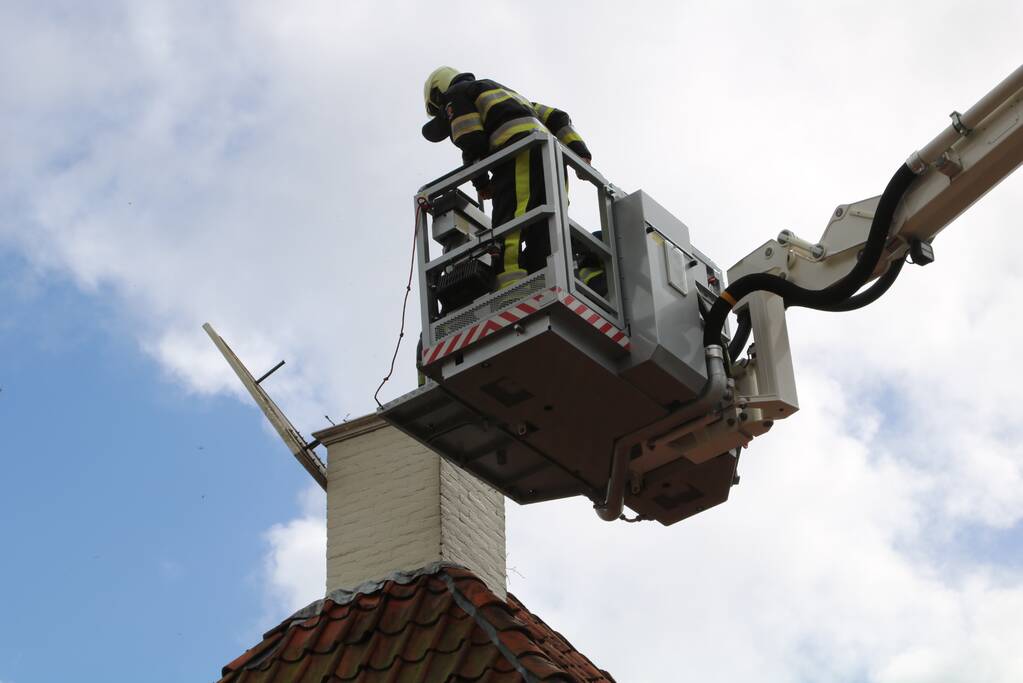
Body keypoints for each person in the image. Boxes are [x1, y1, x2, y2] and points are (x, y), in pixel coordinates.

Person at [421, 67, 596, 290]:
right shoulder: (510, 95)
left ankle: (510, 286)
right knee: (545, 223)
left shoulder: (457, 94)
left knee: (510, 222)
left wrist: (482, 183)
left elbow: (470, 138)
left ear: (438, 94)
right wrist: (579, 153)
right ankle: (544, 276)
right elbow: (557, 117)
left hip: (518, 154)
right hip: (552, 160)